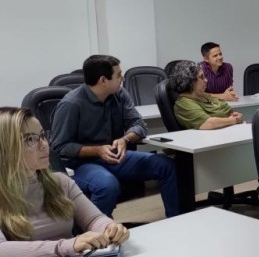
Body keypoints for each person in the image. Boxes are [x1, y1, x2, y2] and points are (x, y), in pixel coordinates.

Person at [50, 55, 180, 218]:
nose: (123, 78)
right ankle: (95, 230)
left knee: (165, 165)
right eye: (118, 75)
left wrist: (125, 139)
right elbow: (60, 147)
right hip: (80, 164)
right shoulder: (71, 104)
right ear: (103, 80)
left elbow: (139, 124)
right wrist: (97, 150)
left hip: (113, 156)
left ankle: (175, 219)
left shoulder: (119, 94)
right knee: (107, 184)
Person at [0, 107, 129, 257]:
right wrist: (65, 246)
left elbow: (94, 219)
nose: (44, 144)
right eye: (30, 139)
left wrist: (109, 228)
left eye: (42, 136)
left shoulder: (61, 182)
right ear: (5, 148)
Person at [170, 61, 244, 130]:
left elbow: (225, 108)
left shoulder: (203, 95)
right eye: (201, 77)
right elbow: (207, 123)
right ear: (190, 81)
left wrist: (234, 115)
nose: (206, 80)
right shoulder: (183, 104)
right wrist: (232, 120)